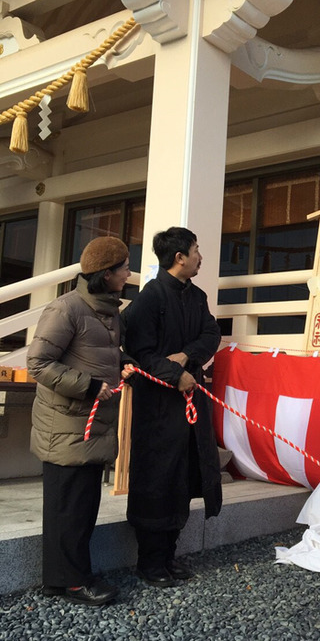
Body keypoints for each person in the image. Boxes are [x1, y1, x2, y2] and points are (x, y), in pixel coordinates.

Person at [28, 236, 131, 606]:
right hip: (67, 424)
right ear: (106, 274)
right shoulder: (66, 309)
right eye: (123, 267)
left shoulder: (106, 310)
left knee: (76, 506)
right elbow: (38, 363)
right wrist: (88, 386)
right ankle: (74, 582)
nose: (128, 273)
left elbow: (99, 352)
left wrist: (122, 364)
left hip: (86, 425)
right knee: (70, 507)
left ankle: (61, 579)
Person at [124, 226, 222, 588]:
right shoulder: (150, 297)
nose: (200, 256)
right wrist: (173, 374)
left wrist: (187, 356)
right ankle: (149, 561)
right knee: (157, 478)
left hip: (189, 398)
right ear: (179, 257)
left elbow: (212, 334)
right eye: (196, 250)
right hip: (159, 406)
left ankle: (169, 554)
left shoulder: (196, 296)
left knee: (182, 475)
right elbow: (138, 352)